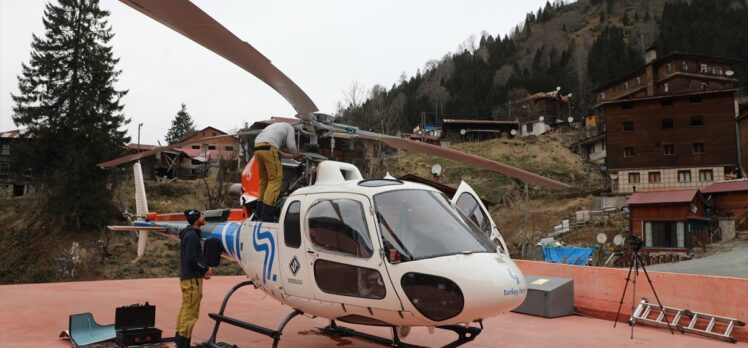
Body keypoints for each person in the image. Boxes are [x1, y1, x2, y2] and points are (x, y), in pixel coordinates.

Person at [175, 209, 212, 348]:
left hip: (190, 278)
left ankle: (180, 340)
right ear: (196, 219)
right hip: (192, 280)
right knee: (191, 312)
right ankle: (183, 343)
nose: (204, 217)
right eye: (201, 215)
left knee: (186, 308)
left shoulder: (190, 234)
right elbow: (191, 259)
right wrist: (205, 269)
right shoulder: (192, 236)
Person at [254, 122, 302, 221]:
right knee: (275, 180)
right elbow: (291, 146)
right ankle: (266, 214)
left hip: (258, 148)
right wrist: (297, 154)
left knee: (264, 181)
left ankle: (258, 212)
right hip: (269, 148)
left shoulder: (274, 130)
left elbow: (279, 153)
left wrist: (294, 157)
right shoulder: (290, 127)